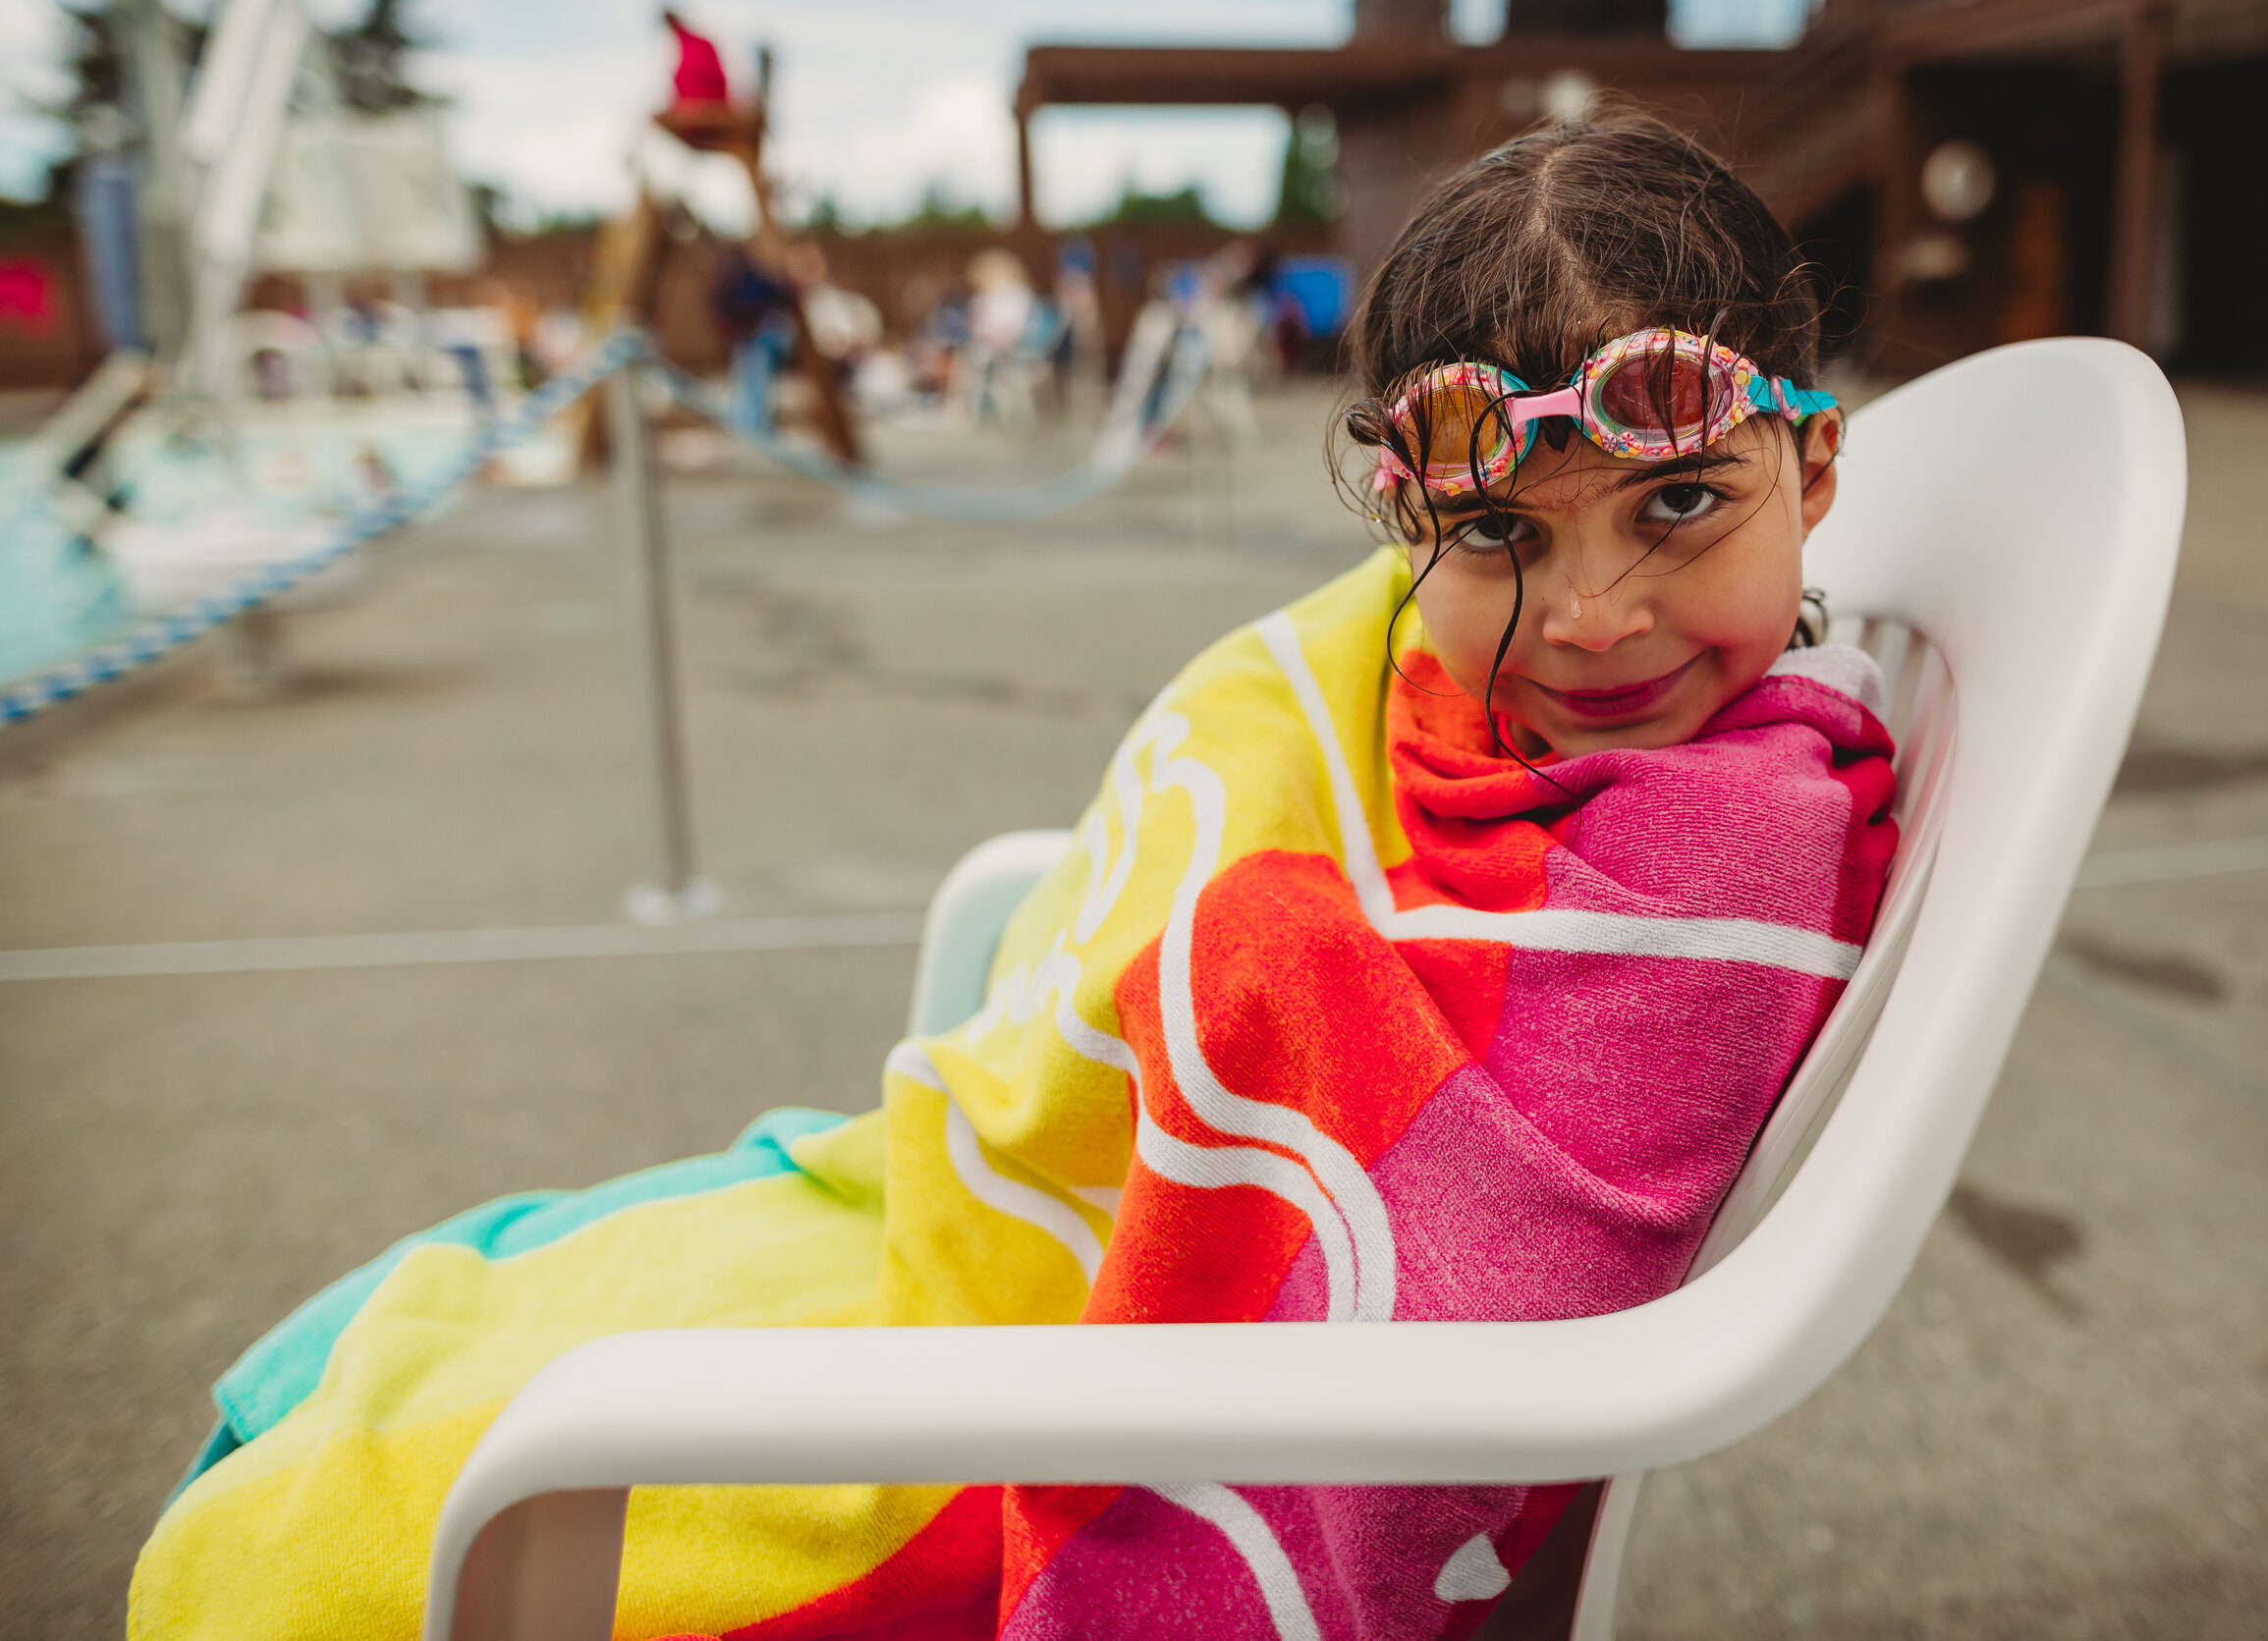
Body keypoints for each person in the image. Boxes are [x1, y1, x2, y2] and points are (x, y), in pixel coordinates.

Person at [131, 113, 1899, 1641]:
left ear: (1813, 467)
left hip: (1084, 1372)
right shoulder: (1462, 682)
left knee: (397, 1493)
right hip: (1025, 1227)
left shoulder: (1722, 862)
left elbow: (1467, 1289)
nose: (1590, 616)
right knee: (459, 1317)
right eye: (1499, 533)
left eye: (1676, 506)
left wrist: (1263, 971)